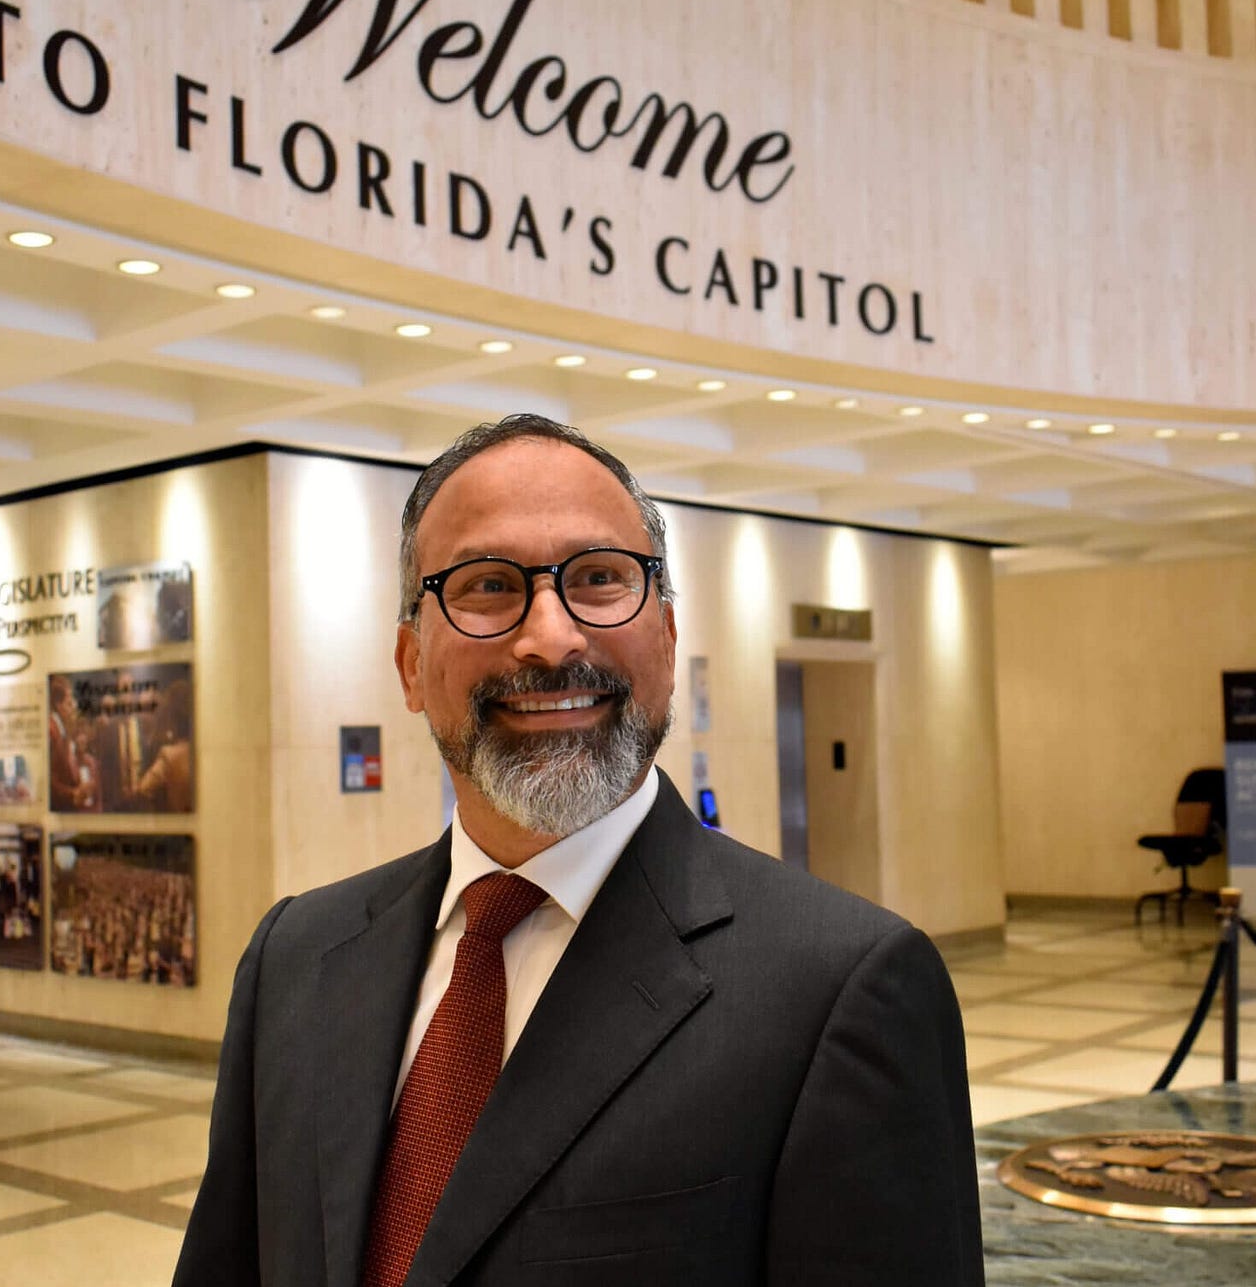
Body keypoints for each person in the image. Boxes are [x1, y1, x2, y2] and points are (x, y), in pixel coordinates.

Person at [174, 414, 983, 1287]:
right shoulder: (295, 957)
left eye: (600, 578)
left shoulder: (842, 989)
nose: (552, 637)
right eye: (487, 585)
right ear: (410, 662)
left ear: (668, 640)